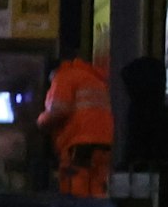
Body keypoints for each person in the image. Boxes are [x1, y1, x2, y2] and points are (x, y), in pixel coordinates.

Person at [38, 47, 115, 198]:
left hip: (79, 146)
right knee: (97, 191)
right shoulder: (93, 78)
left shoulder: (63, 77)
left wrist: (40, 121)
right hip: (104, 145)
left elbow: (59, 111)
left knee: (75, 191)